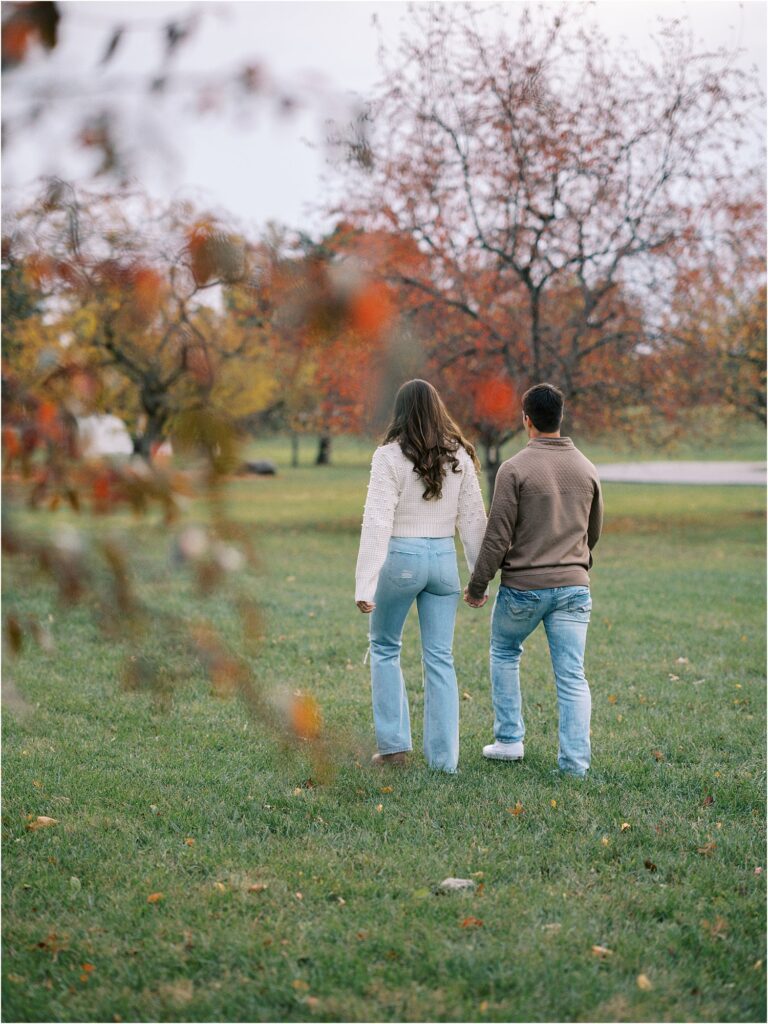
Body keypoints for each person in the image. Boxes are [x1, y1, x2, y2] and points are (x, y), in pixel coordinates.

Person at [464, 383, 603, 777]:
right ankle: (575, 765)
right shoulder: (587, 468)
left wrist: (478, 587)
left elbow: (497, 536)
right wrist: (577, 563)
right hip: (575, 587)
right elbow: (593, 531)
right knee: (572, 675)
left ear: (526, 419)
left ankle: (509, 740)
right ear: (560, 417)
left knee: (505, 651)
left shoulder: (514, 469)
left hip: (523, 589)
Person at [355, 379, 487, 773]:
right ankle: (444, 761)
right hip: (443, 560)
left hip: (402, 559)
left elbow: (377, 520)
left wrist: (365, 581)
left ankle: (394, 749)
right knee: (440, 658)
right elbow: (474, 520)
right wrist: (478, 578)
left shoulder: (389, 456)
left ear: (400, 412)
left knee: (383, 646)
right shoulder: (459, 455)